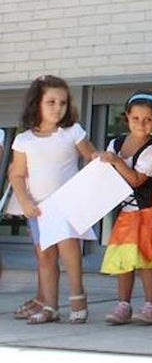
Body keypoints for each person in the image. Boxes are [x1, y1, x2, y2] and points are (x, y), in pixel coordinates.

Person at [9, 75, 98, 325]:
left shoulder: (72, 132)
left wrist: (101, 158)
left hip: (67, 205)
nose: (58, 108)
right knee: (45, 258)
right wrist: (25, 201)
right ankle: (49, 306)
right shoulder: (23, 140)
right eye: (51, 102)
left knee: (70, 254)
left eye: (63, 102)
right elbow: (16, 174)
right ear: (36, 103)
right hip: (39, 209)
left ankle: (78, 298)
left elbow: (91, 156)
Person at [99, 90, 152, 326]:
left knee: (144, 261)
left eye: (148, 119)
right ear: (127, 116)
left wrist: (116, 161)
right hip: (125, 214)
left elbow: (137, 180)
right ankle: (123, 304)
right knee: (123, 261)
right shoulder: (115, 143)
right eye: (136, 118)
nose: (141, 123)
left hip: (146, 213)